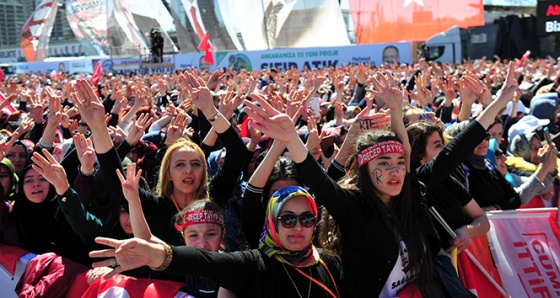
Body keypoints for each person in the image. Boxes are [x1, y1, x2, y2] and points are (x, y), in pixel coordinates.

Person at [243, 72, 440, 297]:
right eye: (383, 164)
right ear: (364, 169)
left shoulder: (408, 196)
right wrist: (291, 140)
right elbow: (320, 182)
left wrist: (396, 111)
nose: (395, 171)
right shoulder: (354, 208)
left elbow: (403, 148)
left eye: (400, 163)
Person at [90, 186, 342, 298]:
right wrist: (155, 256)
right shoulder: (252, 265)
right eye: (287, 219)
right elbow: (204, 262)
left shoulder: (329, 263)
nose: (298, 227)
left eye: (307, 218)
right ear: (272, 222)